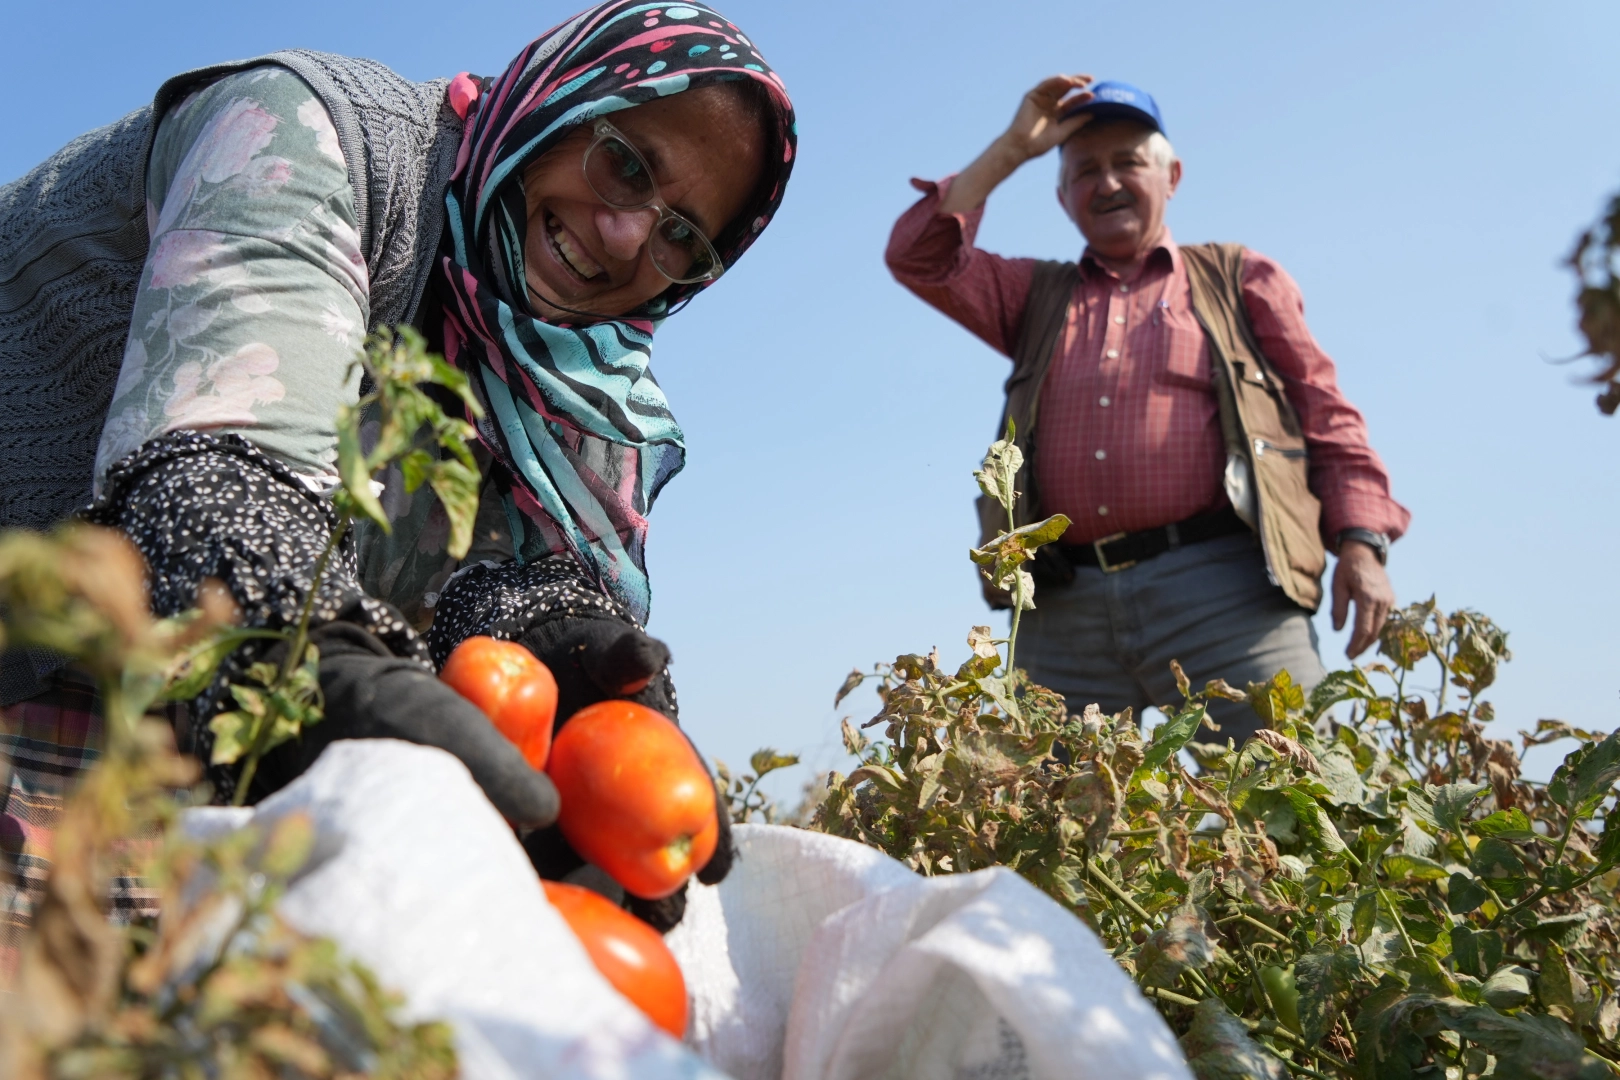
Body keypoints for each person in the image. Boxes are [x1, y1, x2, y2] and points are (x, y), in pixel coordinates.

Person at [0, 0, 797, 954]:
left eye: (683, 239)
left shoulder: (574, 382)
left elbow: (490, 575)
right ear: (559, 98)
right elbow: (212, 474)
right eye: (625, 161)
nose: (629, 238)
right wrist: (301, 653)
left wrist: (543, 643)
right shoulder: (308, 135)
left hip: (173, 701)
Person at [886, 76, 1407, 740]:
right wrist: (1014, 148)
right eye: (1085, 171)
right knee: (1045, 822)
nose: (1106, 183)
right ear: (1062, 196)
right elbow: (919, 256)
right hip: (1062, 602)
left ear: (1172, 175)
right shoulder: (1035, 296)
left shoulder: (1238, 279)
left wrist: (1361, 544)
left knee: (1301, 795)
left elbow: (1326, 415)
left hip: (1226, 592)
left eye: (1127, 162)